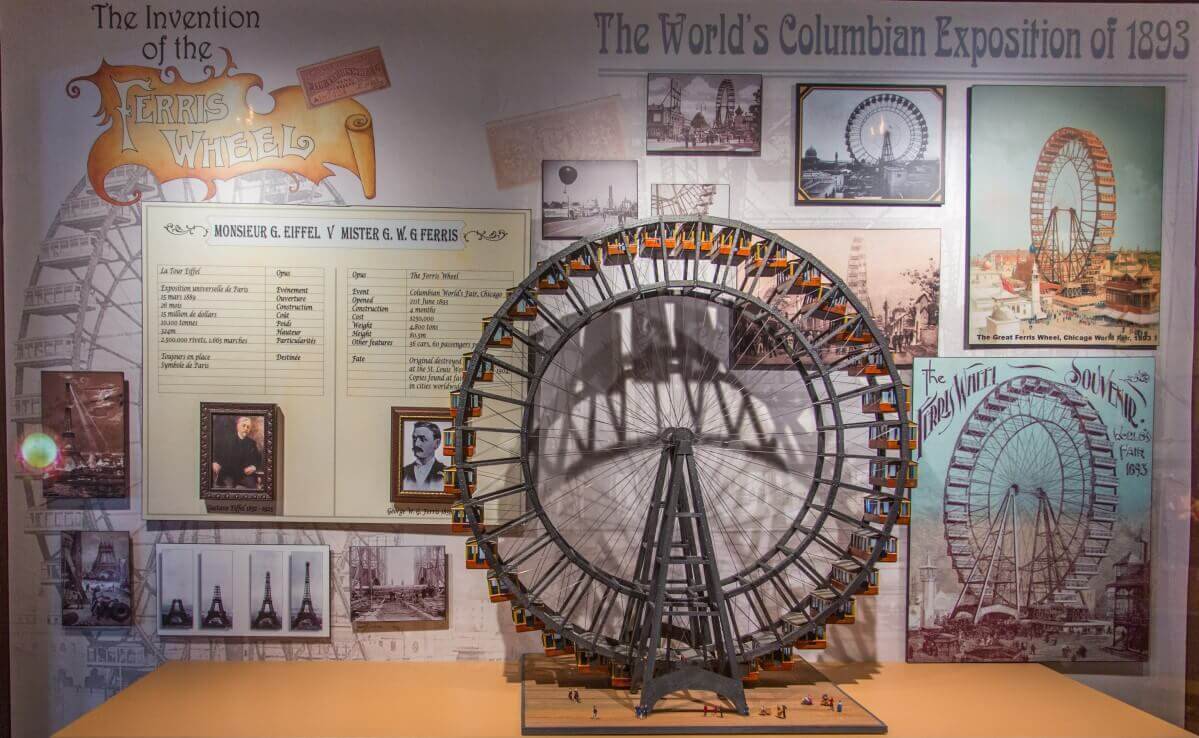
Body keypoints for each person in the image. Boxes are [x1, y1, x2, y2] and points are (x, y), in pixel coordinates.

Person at [212, 415, 262, 489]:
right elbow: (217, 454)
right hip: (228, 474)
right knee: (228, 491)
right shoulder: (227, 440)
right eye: (244, 426)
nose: (246, 428)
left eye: (248, 427)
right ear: (237, 426)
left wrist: (254, 467)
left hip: (245, 475)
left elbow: (257, 459)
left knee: (254, 488)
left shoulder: (251, 443)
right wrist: (215, 462)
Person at [402, 420, 446, 491]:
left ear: (436, 443)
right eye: (414, 438)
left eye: (422, 439)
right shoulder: (403, 473)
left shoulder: (446, 474)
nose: (416, 444)